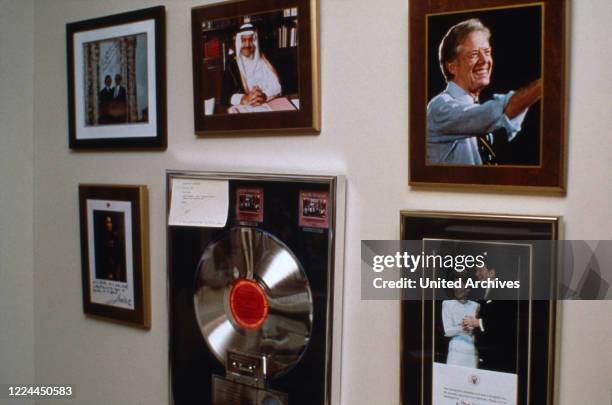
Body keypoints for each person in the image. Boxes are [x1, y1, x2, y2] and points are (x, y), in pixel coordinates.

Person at [427, 18, 542, 165]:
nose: (484, 60)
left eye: (487, 52)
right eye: (474, 54)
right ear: (452, 67)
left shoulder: (474, 109)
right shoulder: (439, 108)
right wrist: (546, 83)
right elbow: (502, 111)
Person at [462, 263, 518, 373]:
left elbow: (506, 321)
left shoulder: (505, 291)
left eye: (480, 270)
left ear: (492, 273)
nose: (477, 274)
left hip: (499, 357)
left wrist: (477, 322)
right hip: (486, 355)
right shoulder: (484, 291)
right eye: (476, 271)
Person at [220, 23, 282, 108]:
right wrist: (244, 98)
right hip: (245, 108)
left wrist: (263, 95)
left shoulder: (265, 58)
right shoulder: (232, 63)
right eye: (243, 40)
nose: (247, 45)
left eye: (251, 40)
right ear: (238, 41)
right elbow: (224, 97)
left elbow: (277, 86)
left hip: (268, 104)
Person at [442, 275, 479, 368]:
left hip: (472, 352)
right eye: (455, 285)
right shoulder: (447, 304)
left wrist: (472, 326)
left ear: (468, 289)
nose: (457, 288)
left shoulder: (475, 306)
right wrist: (463, 327)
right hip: (455, 352)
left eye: (460, 285)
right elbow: (447, 331)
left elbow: (477, 328)